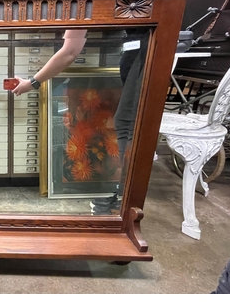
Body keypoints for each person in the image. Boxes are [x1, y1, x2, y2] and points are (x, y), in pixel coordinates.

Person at [12, 27, 150, 215]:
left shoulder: (81, 2)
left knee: (128, 125)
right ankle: (116, 195)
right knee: (125, 122)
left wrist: (33, 82)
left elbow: (70, 51)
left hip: (146, 51)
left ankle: (121, 199)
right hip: (137, 49)